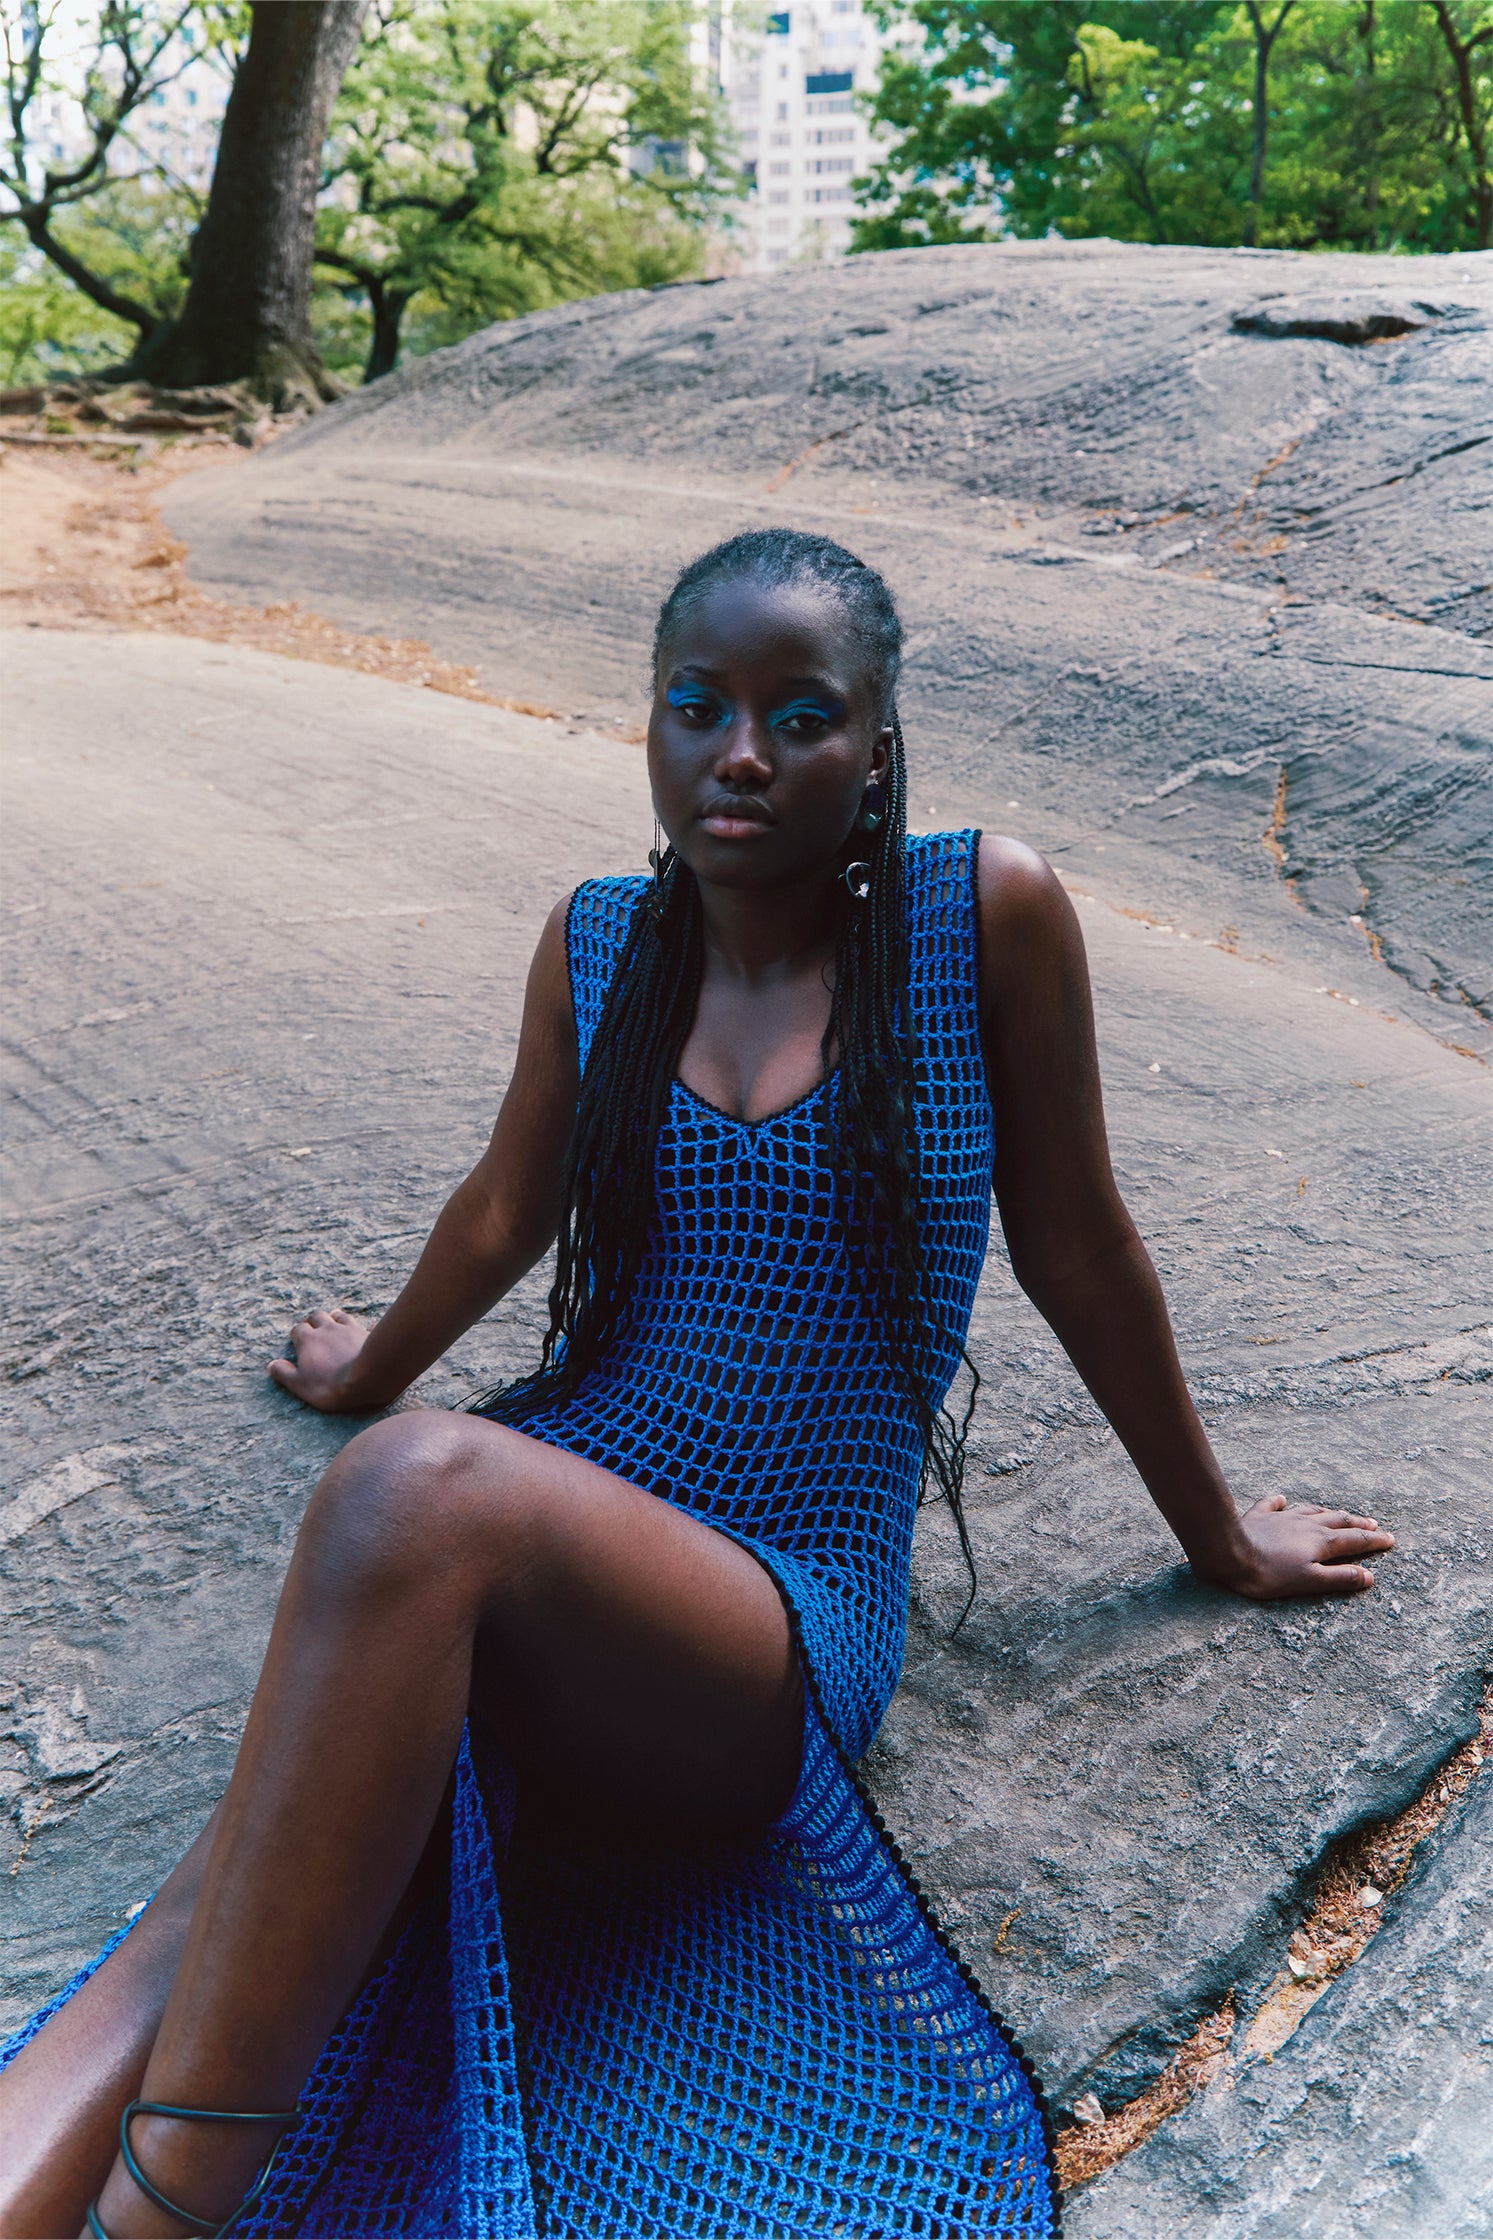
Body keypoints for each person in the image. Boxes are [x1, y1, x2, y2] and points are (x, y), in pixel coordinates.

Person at [0, 530, 1393, 2240]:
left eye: (798, 715)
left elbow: (1080, 1246)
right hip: (549, 1527)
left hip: (773, 1614)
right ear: (648, 728)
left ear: (874, 745)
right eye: (697, 706)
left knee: (418, 1492)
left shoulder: (979, 915)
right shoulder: (599, 942)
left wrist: (1216, 1533)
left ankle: (171, 2212)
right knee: (204, 1914)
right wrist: (368, 1363)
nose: (740, 753)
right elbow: (506, 1208)